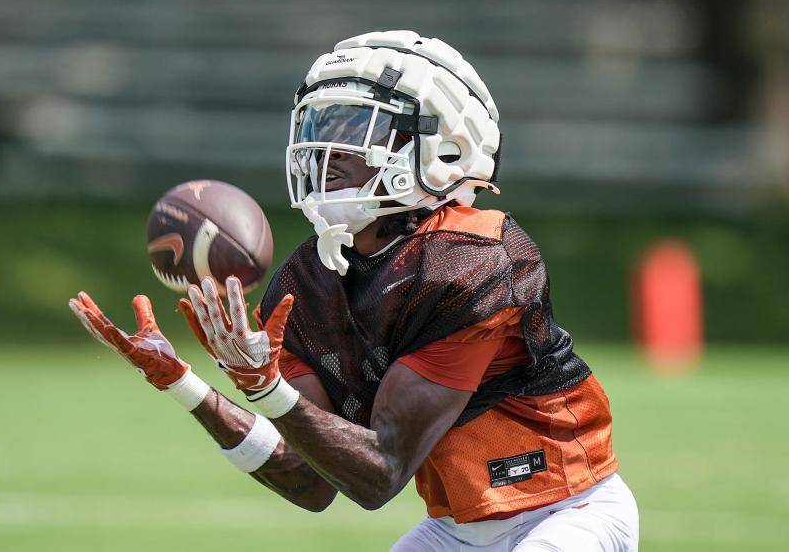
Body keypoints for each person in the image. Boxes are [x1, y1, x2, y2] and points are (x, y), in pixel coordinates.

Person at [69, 30, 640, 551]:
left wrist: (265, 388)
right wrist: (186, 386)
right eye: (319, 126)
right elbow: (314, 481)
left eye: (352, 127)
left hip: (568, 511)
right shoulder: (306, 283)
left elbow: (381, 473)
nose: (326, 149)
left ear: (441, 146)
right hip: (456, 531)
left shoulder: (473, 259)